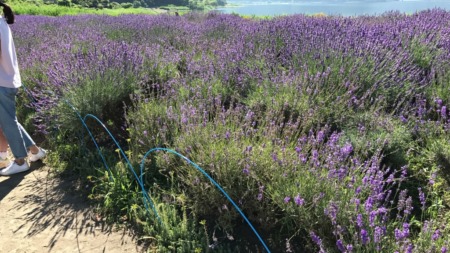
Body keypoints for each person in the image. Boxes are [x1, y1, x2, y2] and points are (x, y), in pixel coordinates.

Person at [0, 2, 46, 176]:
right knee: (10, 120)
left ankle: (20, 161)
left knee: (7, 123)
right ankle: (35, 151)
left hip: (1, 82)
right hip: (7, 80)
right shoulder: (2, 22)